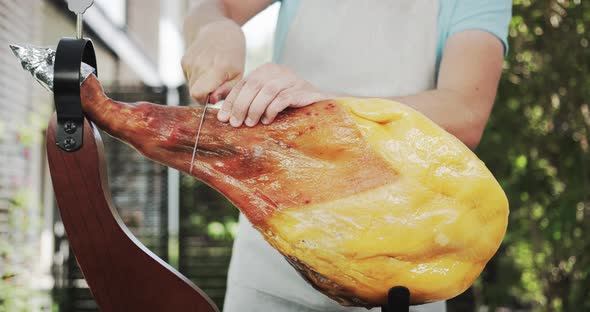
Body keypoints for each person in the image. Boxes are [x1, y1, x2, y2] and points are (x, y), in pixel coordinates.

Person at [182, 1, 511, 311]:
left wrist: (329, 110)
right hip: (269, 265)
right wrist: (215, 26)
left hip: (404, 272)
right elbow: (209, 6)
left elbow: (465, 111)